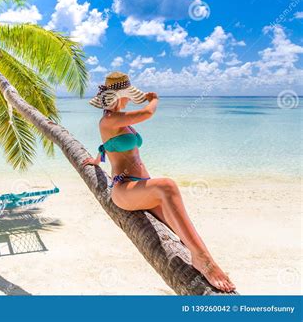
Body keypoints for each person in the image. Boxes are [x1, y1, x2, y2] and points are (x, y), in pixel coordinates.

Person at [82, 71, 236, 292]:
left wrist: (96, 160)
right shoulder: (109, 120)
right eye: (126, 95)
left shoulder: (119, 119)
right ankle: (204, 261)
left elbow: (106, 145)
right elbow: (146, 112)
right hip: (125, 190)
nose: (127, 99)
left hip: (142, 189)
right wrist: (153, 100)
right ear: (117, 96)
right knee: (168, 185)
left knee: (183, 232)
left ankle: (203, 257)